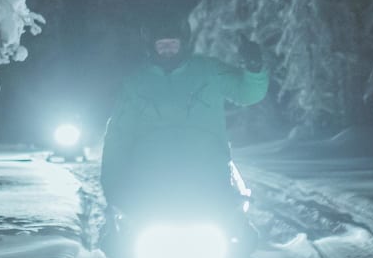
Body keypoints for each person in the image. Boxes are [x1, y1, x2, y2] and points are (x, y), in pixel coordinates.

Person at [98, 16, 268, 222]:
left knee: (235, 234)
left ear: (183, 44)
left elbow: (247, 93)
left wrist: (254, 68)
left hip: (208, 174)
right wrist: (112, 184)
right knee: (125, 240)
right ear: (152, 47)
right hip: (151, 178)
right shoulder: (136, 83)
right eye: (162, 45)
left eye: (173, 44)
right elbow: (118, 135)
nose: (168, 50)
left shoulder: (208, 71)